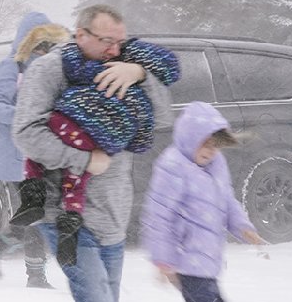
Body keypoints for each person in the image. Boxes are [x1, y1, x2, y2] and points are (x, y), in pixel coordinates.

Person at [13, 3, 173, 302]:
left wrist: (138, 72)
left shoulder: (125, 62)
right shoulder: (48, 71)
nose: (114, 48)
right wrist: (83, 161)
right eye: (106, 40)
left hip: (112, 215)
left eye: (119, 40)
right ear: (80, 34)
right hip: (63, 213)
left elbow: (162, 117)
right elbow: (25, 134)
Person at [135, 101, 265, 302]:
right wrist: (163, 260)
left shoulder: (215, 165)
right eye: (203, 146)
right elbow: (158, 216)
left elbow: (227, 201)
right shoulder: (172, 167)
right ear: (188, 138)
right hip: (183, 259)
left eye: (214, 147)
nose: (209, 152)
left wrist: (243, 227)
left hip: (206, 258)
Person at [9, 37, 180, 266]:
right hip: (97, 145)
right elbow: (147, 130)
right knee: (75, 181)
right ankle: (69, 220)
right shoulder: (136, 85)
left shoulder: (106, 67)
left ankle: (33, 198)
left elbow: (31, 131)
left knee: (39, 158)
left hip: (71, 128)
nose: (113, 49)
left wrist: (138, 73)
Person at [0, 12, 68, 288]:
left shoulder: (50, 69)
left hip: (42, 153)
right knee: (39, 211)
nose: (43, 47)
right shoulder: (10, 68)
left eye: (47, 42)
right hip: (17, 156)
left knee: (41, 212)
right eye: (37, 41)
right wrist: (28, 116)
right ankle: (36, 275)